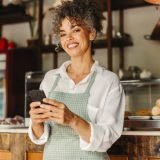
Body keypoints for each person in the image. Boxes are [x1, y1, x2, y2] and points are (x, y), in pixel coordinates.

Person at [28, 0, 125, 159]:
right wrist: (37, 121)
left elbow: (108, 138)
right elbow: (41, 137)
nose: (69, 38)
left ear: (92, 33)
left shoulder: (108, 82)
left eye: (76, 30)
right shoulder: (50, 79)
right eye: (63, 33)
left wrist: (73, 119)